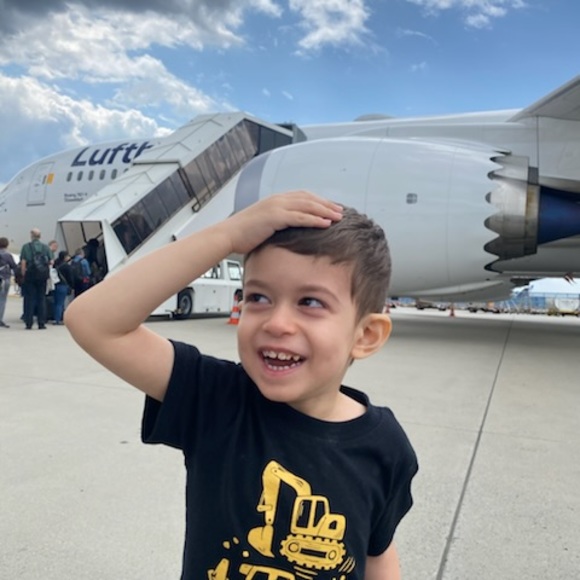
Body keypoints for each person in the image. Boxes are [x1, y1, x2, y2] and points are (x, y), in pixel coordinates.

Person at [65, 191, 418, 579]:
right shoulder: (216, 399)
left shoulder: (386, 447)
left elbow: (377, 551)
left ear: (365, 335)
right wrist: (228, 236)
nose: (276, 323)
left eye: (311, 302)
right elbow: (93, 321)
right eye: (259, 297)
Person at [20, 228, 52, 329]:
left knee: (29, 299)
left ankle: (29, 323)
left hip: (30, 275)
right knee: (41, 298)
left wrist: (23, 274)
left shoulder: (26, 247)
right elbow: (51, 261)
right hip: (42, 276)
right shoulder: (45, 247)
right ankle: (41, 323)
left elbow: (23, 262)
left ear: (31, 235)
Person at [0, 237, 19, 328]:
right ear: (7, 245)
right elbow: (14, 266)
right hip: (4, 278)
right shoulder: (8, 255)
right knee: (2, 300)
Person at [52, 251, 73, 325]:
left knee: (56, 303)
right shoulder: (66, 266)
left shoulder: (56, 264)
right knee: (60, 303)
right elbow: (70, 277)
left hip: (55, 285)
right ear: (65, 257)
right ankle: (58, 319)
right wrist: (71, 285)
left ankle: (56, 318)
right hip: (63, 285)